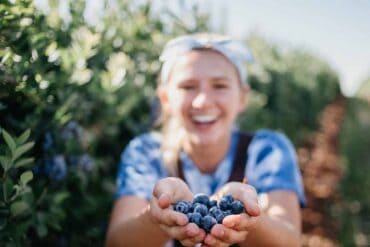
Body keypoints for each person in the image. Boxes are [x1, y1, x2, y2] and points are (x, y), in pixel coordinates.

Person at [105, 33, 305, 247]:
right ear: (165, 99)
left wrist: (251, 221)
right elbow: (117, 242)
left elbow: (290, 241)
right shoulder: (145, 153)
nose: (203, 101)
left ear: (242, 97)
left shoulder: (268, 151)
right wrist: (156, 219)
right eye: (188, 86)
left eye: (219, 86)